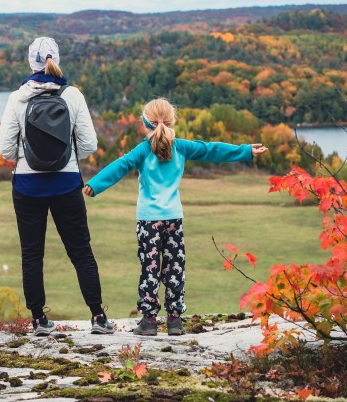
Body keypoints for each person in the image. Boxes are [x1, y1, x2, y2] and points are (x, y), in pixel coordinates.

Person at [83, 98, 268, 336]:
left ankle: (149, 322)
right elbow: (211, 149)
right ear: (172, 122)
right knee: (175, 268)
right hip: (174, 219)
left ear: (144, 123)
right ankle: (175, 321)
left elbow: (121, 165)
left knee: (149, 267)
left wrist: (95, 185)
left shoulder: (143, 149)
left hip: (148, 221)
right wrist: (245, 151)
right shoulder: (181, 147)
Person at [0, 37, 115, 336]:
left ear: (30, 62)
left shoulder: (17, 98)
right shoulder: (73, 95)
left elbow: (4, 149)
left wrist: (25, 158)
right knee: (81, 251)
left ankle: (38, 320)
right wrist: (67, 156)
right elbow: (89, 144)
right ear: (56, 60)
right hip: (66, 184)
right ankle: (98, 317)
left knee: (32, 254)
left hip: (27, 186)